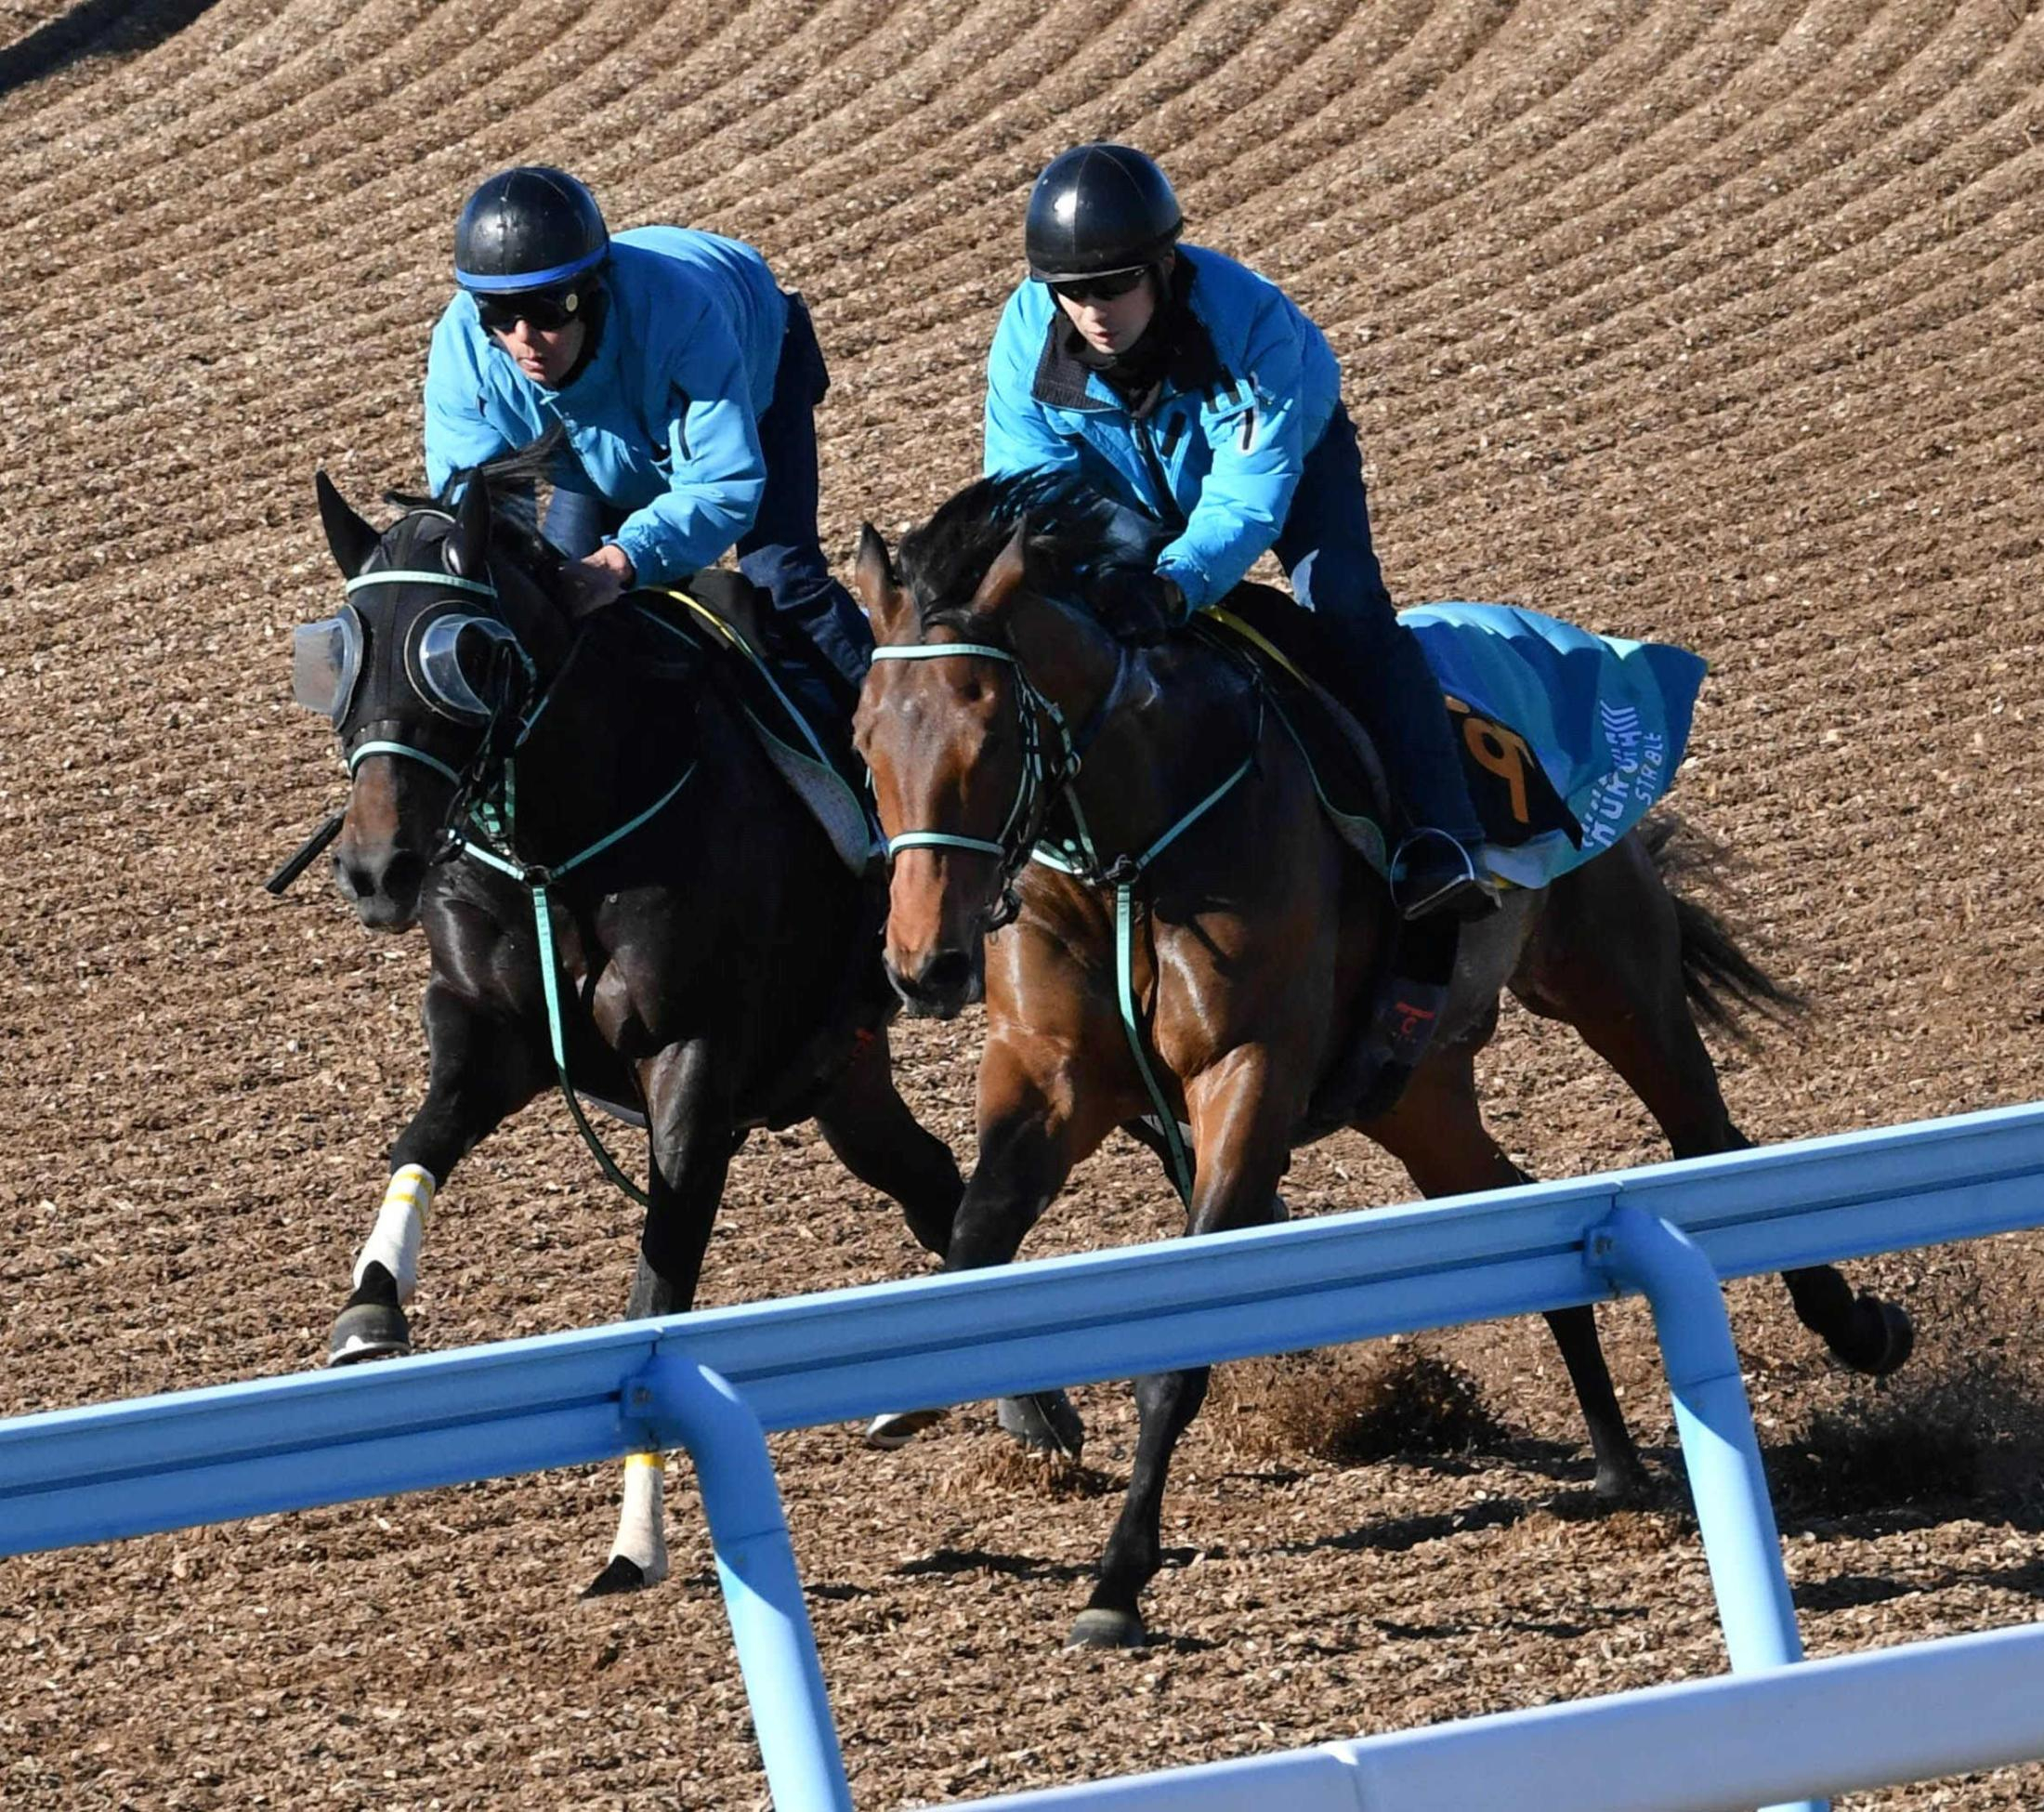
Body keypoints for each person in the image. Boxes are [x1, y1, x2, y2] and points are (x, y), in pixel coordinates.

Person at [982, 142, 1496, 919]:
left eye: (1115, 285)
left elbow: (1245, 503)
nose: (1094, 311)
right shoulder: (1025, 336)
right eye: (1071, 290)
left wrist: (1172, 582)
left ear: (1161, 267)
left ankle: (1441, 836)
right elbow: (1033, 492)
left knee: (1345, 603)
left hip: (1288, 461)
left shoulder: (1247, 322)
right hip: (1125, 491)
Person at [423, 165, 871, 727]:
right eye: (498, 314)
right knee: (551, 605)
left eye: (545, 311)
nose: (523, 339)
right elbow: (479, 519)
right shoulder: (464, 349)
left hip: (755, 364)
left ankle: (895, 745)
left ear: (589, 293)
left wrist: (622, 560)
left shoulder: (684, 318)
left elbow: (720, 486)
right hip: (601, 444)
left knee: (782, 581)